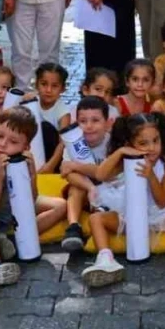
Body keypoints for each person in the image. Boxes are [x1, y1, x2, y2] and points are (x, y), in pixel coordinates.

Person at [81, 112, 165, 286]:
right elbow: (100, 175)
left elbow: (163, 201)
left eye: (156, 140)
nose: (152, 148)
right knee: (96, 219)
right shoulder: (127, 160)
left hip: (161, 215)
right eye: (143, 143)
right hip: (131, 216)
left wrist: (151, 176)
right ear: (131, 144)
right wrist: (121, 151)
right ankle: (105, 260)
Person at [0, 106, 68, 289]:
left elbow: (31, 199)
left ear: (25, 147)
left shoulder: (23, 159)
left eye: (13, 141)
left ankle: (15, 240)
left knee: (61, 206)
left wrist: (32, 175)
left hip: (19, 209)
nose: (3, 144)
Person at [58, 96, 113, 253]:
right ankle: (73, 227)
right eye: (83, 121)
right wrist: (90, 188)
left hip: (109, 188)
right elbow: (66, 173)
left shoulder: (112, 143)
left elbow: (105, 173)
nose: (89, 126)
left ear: (108, 123)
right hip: (85, 188)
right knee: (75, 188)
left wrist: (76, 165)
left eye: (95, 120)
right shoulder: (73, 142)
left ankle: (99, 218)